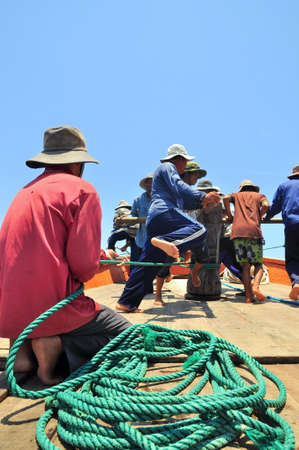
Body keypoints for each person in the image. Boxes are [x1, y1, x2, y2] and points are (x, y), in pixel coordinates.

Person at [0, 126, 131, 385]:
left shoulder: (25, 192)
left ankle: (23, 353)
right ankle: (49, 347)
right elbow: (83, 267)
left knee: (34, 312)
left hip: (9, 314)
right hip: (51, 310)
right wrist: (100, 261)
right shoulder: (82, 190)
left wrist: (101, 254)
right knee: (129, 335)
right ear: (78, 163)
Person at [116, 144, 220, 313]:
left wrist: (203, 201)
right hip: (164, 213)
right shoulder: (167, 167)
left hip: (156, 220)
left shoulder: (166, 178)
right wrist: (202, 195)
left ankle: (127, 302)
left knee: (148, 265)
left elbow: (183, 199)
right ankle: (163, 241)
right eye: (185, 162)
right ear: (179, 159)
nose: (185, 166)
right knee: (200, 230)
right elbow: (179, 185)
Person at [155, 160, 207, 305]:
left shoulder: (192, 192)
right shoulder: (177, 190)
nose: (197, 179)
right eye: (195, 175)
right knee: (166, 263)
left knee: (204, 254)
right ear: (188, 175)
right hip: (178, 230)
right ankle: (158, 295)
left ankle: (194, 273)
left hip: (192, 230)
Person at [223, 180, 269, 304]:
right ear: (254, 188)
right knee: (258, 264)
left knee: (245, 266)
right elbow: (266, 205)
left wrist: (229, 215)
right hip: (253, 232)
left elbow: (226, 198)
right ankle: (256, 287)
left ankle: (249, 296)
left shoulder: (236, 196)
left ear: (242, 188)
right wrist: (259, 215)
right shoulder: (259, 196)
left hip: (238, 232)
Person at [186, 179, 224, 301]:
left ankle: (204, 289)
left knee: (205, 259)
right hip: (206, 238)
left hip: (207, 238)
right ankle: (204, 289)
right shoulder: (201, 203)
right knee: (202, 258)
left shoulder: (214, 203)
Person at [265, 165, 299, 300]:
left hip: (292, 225)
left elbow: (276, 206)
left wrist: (267, 217)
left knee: (292, 257)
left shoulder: (284, 186)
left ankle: (296, 282)